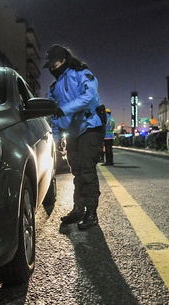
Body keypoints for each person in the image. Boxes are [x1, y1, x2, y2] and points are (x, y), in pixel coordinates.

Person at [44, 44, 105, 230]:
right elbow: (55, 114)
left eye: (55, 64)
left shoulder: (81, 73)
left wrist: (65, 109)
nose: (53, 69)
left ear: (64, 60)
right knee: (77, 172)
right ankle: (79, 209)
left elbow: (90, 96)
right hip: (72, 132)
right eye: (51, 67)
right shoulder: (54, 87)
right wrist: (56, 138)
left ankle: (91, 213)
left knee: (87, 170)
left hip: (89, 127)